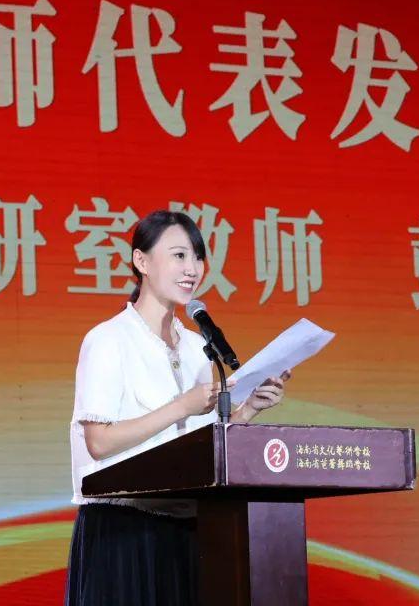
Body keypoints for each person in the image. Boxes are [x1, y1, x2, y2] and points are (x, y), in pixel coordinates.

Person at [65, 209, 290, 606]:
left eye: (198, 257)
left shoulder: (197, 348)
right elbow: (98, 442)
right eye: (179, 256)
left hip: (189, 528)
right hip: (124, 532)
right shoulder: (109, 340)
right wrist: (181, 406)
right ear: (141, 261)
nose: (193, 269)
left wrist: (247, 410)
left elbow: (201, 445)